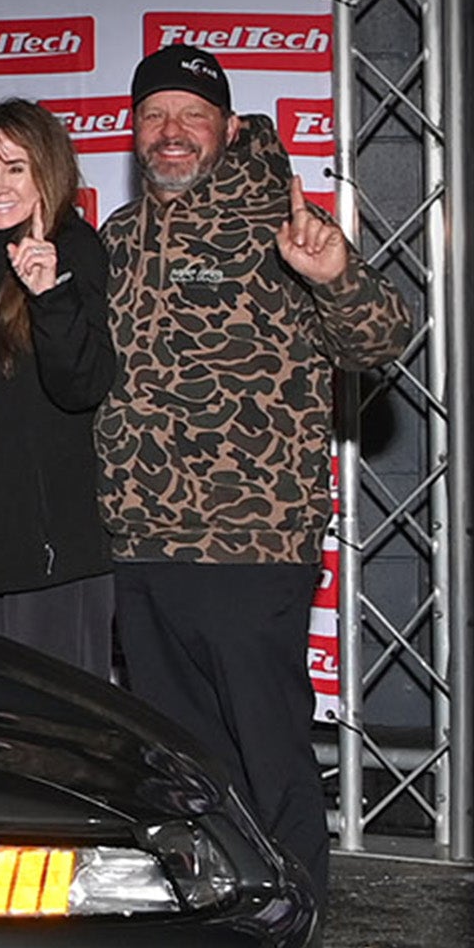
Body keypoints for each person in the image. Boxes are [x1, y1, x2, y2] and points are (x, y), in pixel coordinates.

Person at [100, 46, 409, 903]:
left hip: (250, 541)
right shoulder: (117, 236)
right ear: (134, 130)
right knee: (183, 762)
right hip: (139, 540)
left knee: (269, 756)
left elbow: (382, 339)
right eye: (154, 115)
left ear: (229, 128)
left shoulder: (286, 224)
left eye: (192, 116)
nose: (171, 132)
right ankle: (215, 913)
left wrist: (337, 277)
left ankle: (295, 911)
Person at [0, 98, 114, 674]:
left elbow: (82, 386)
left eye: (15, 168)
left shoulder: (75, 249)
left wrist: (50, 294)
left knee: (62, 722)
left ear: (46, 172)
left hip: (51, 557)